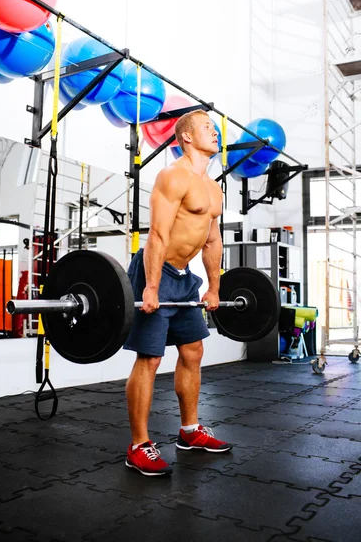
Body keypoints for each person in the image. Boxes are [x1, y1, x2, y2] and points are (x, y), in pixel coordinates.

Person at [123, 109, 233, 477]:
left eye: (215, 128)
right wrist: (151, 286)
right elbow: (158, 234)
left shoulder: (215, 189)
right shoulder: (172, 176)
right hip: (155, 271)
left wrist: (214, 286)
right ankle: (138, 445)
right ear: (186, 136)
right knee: (150, 358)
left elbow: (212, 240)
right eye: (206, 127)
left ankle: (189, 432)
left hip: (185, 278)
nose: (214, 132)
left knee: (193, 350)